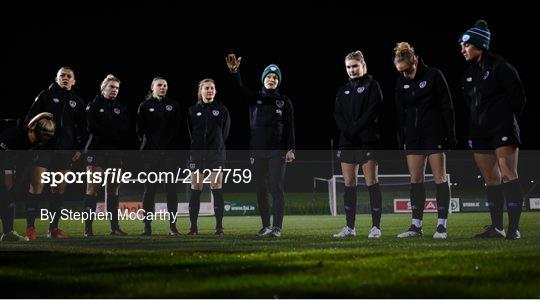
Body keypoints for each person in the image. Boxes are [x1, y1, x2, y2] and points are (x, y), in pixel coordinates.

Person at [459, 20, 527, 240]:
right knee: (491, 180)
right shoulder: (468, 74)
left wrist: (503, 119)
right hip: (479, 133)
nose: (462, 49)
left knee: (509, 175)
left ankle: (514, 228)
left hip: (502, 129)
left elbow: (519, 99)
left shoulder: (501, 67)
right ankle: (497, 227)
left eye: (466, 45)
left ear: (480, 44)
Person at [226, 54, 295, 238]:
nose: (271, 79)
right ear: (263, 79)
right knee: (261, 189)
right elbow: (239, 88)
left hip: (277, 151)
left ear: (278, 81)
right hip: (256, 151)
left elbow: (290, 127)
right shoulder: (254, 98)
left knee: (276, 187)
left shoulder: (284, 101)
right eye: (268, 77)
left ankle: (277, 228)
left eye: (275, 77)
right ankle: (265, 226)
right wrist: (235, 72)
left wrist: (290, 148)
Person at [392, 42, 456, 239]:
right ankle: (416, 226)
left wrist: (450, 134)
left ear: (415, 61)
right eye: (400, 71)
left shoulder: (434, 75)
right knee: (416, 180)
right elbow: (399, 114)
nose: (405, 75)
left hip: (434, 134)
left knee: (439, 178)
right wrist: (402, 138)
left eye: (407, 70)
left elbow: (447, 106)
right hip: (413, 138)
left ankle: (441, 226)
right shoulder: (401, 82)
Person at [24, 67, 86, 239]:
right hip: (43, 149)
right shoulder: (45, 95)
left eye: (69, 76)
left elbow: (83, 129)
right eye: (62, 76)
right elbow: (29, 120)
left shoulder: (77, 102)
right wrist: (36, 137)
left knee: (58, 190)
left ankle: (53, 229)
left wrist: (79, 149)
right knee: (37, 187)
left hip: (65, 152)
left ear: (74, 81)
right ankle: (30, 228)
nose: (65, 78)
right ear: (56, 78)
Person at [332, 50, 384, 239]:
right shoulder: (342, 90)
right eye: (348, 67)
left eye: (355, 66)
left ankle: (376, 227)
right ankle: (350, 228)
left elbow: (373, 111)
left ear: (363, 66)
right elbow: (337, 114)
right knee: (349, 183)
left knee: (371, 181)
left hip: (367, 141)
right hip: (347, 142)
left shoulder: (373, 86)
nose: (352, 70)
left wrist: (356, 128)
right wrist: (348, 130)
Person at [83, 74, 129, 237]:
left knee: (113, 190)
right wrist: (113, 131)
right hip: (96, 151)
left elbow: (124, 129)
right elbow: (92, 127)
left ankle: (115, 228)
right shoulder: (93, 105)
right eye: (111, 87)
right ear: (103, 88)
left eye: (117, 88)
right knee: (93, 188)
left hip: (115, 153)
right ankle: (88, 229)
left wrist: (114, 133)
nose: (114, 90)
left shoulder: (120, 108)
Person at [137, 77, 183, 236]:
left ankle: (173, 226)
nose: (163, 87)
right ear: (152, 87)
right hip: (151, 155)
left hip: (169, 156)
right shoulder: (144, 106)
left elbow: (177, 131)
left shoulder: (174, 105)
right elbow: (139, 130)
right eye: (159, 85)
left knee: (171, 190)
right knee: (149, 190)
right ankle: (147, 227)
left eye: (165, 85)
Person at [0, 113, 55, 242]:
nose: (38, 142)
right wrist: (8, 177)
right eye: (39, 137)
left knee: (9, 193)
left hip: (8, 158)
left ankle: (8, 232)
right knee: (7, 190)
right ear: (32, 130)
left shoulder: (34, 141)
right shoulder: (14, 134)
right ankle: (8, 232)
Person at [186, 78, 230, 235]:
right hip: (197, 156)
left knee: (216, 187)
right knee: (196, 188)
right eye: (206, 88)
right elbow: (190, 133)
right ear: (200, 91)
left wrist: (215, 148)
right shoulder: (192, 111)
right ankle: (193, 228)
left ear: (215, 91)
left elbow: (224, 133)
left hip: (215, 155)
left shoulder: (222, 110)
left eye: (212, 88)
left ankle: (219, 227)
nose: (210, 90)